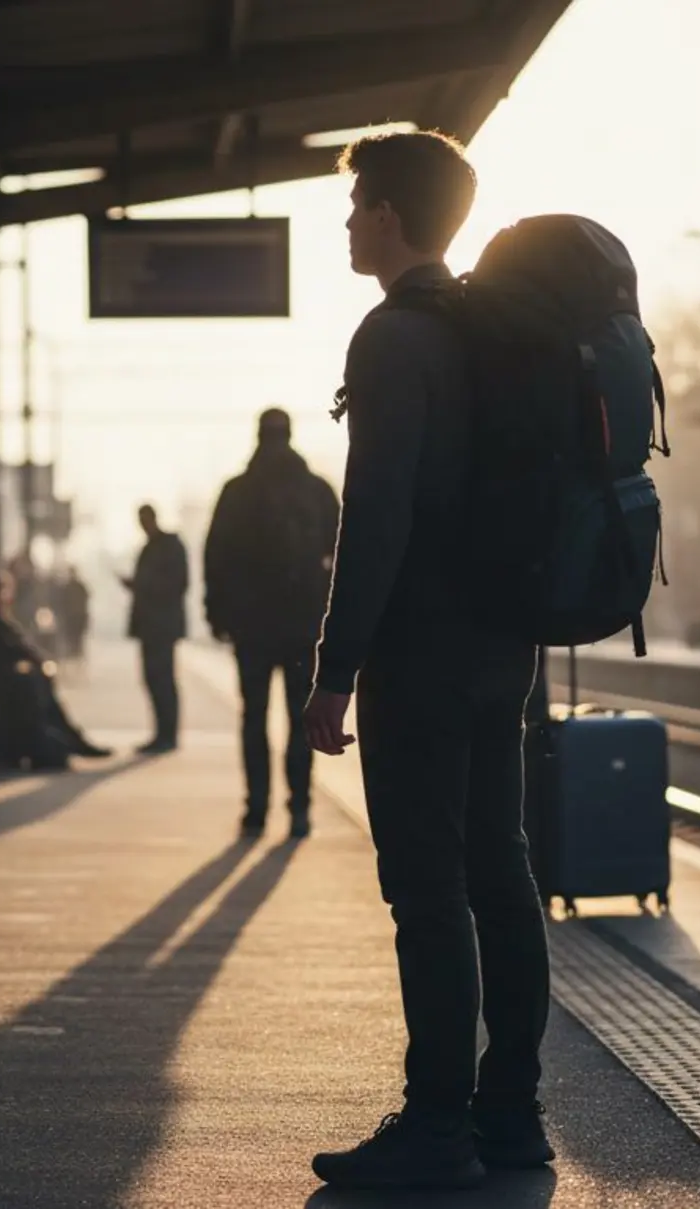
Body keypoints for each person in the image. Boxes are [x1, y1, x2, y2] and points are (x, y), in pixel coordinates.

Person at [302, 131, 552, 1191]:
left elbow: (378, 516)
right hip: (506, 642)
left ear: (393, 216)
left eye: (358, 204)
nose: (348, 221)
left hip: (424, 651)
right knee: (502, 873)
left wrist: (334, 666)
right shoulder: (489, 327)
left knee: (427, 889)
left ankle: (436, 1125)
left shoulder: (393, 337)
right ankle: (511, 1120)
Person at [204, 407, 341, 839]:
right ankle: (299, 808)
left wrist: (217, 613)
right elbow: (347, 552)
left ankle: (256, 809)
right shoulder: (317, 491)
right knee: (302, 718)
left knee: (254, 718)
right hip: (304, 626)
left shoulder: (237, 492)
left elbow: (215, 557)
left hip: (252, 628)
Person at [0, 574, 110, 767]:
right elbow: (11, 648)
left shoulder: (0, 618)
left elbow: (20, 647)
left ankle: (71, 737)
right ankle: (72, 738)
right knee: (41, 689)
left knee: (44, 689)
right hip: (3, 679)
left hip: (10, 675)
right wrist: (36, 661)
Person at [120, 504, 189, 754]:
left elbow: (176, 584)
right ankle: (162, 733)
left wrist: (141, 584)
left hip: (161, 624)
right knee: (153, 678)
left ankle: (167, 734)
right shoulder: (152, 548)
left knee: (162, 679)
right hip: (152, 625)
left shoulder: (168, 547)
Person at [57, 567, 91, 661]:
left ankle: (76, 654)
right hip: (73, 616)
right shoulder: (71, 586)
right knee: (73, 637)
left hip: (76, 616)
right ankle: (74, 654)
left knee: (76, 637)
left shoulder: (76, 586)